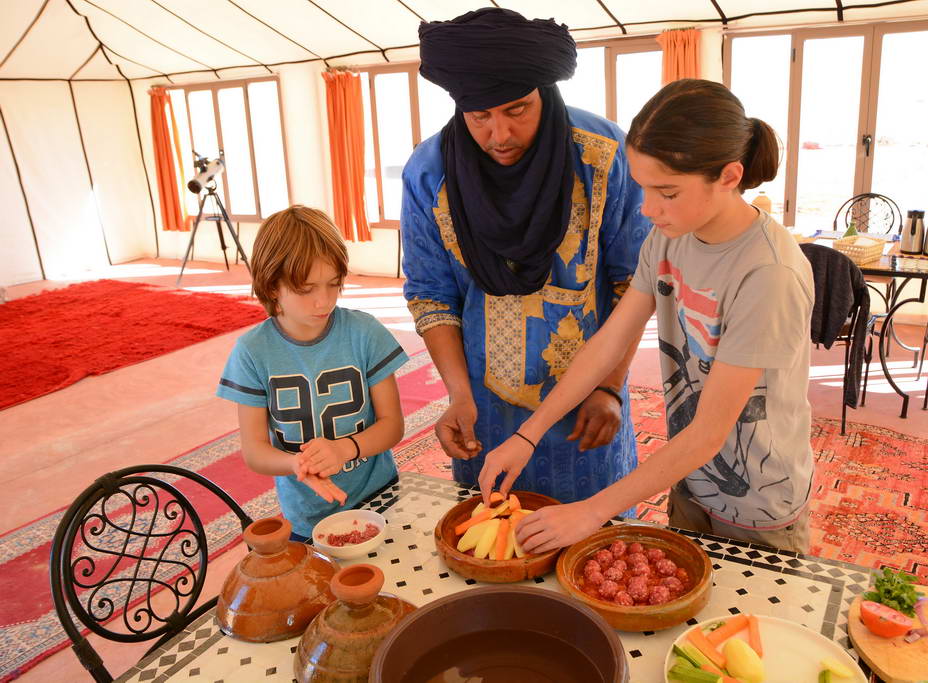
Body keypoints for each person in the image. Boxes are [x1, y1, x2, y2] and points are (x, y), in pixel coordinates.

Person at [480, 79, 816, 554]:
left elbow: (709, 432)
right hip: (687, 475)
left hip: (759, 501)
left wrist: (592, 511)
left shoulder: (767, 273)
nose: (648, 208)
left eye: (668, 192)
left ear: (728, 175)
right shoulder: (670, 235)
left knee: (748, 626)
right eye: (643, 188)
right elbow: (609, 342)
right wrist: (527, 434)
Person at [400, 8, 650, 504]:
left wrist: (611, 387)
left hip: (588, 402)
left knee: (593, 549)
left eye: (517, 110)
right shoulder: (430, 173)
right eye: (479, 117)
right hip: (484, 407)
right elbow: (431, 294)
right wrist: (458, 396)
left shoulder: (603, 155)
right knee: (493, 541)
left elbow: (635, 283)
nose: (499, 135)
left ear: (546, 93)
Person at [217, 206, 409, 542]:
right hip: (306, 517)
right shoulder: (252, 352)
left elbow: (392, 424)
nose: (324, 301)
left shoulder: (365, 332)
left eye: (333, 284)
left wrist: (345, 449)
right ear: (272, 286)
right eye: (306, 289)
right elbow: (255, 451)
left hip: (382, 501)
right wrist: (297, 466)